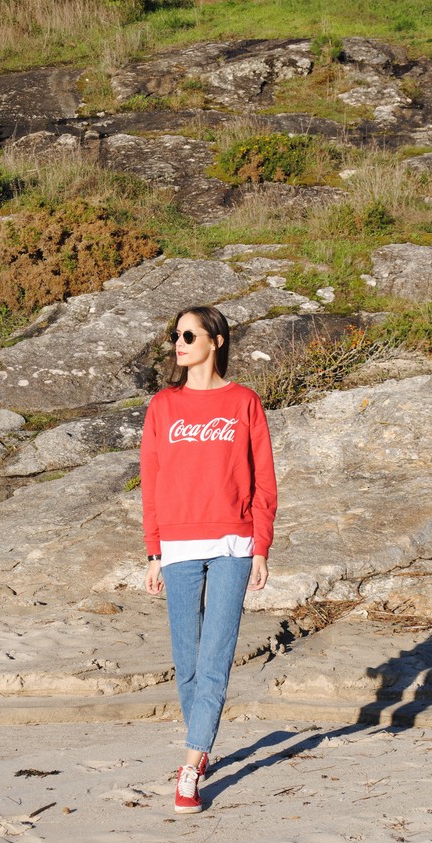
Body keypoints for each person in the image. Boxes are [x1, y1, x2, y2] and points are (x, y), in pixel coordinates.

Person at [140, 305, 277, 814]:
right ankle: (201, 741)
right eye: (175, 335)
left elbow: (264, 479)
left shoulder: (243, 401)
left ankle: (191, 765)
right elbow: (151, 481)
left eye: (188, 335)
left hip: (233, 546)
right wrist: (153, 551)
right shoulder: (163, 406)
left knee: (215, 659)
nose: (179, 343)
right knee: (187, 664)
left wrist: (261, 546)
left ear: (216, 341)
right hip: (177, 546)